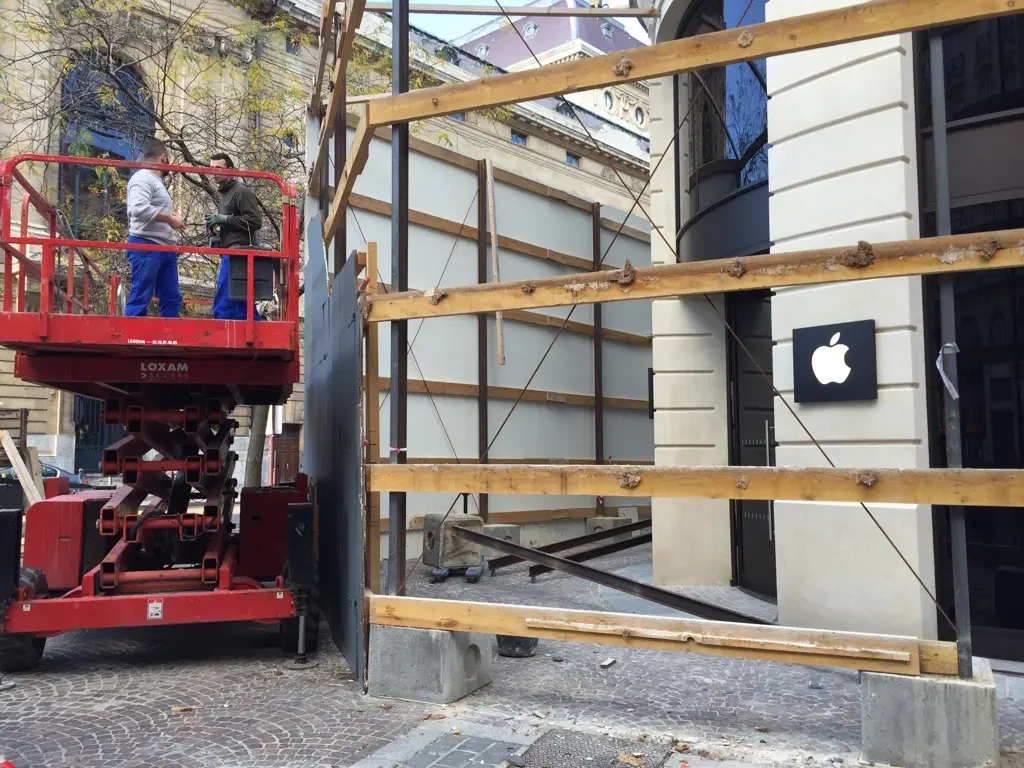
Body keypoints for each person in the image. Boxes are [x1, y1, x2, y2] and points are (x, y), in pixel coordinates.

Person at [124, 138, 186, 317]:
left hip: (163, 247)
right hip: (146, 244)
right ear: (163, 158)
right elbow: (137, 208)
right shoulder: (142, 178)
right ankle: (132, 334)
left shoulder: (154, 182)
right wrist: (169, 219)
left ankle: (171, 336)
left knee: (171, 297)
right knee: (141, 294)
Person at [205, 152, 263, 320]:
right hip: (232, 251)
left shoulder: (241, 191)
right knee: (241, 303)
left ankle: (221, 334)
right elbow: (235, 222)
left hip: (239, 252)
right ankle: (255, 334)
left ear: (230, 170)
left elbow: (255, 221)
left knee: (225, 301)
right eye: (211, 168)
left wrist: (223, 218)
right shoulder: (225, 195)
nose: (214, 172)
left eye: (218, 168)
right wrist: (217, 230)